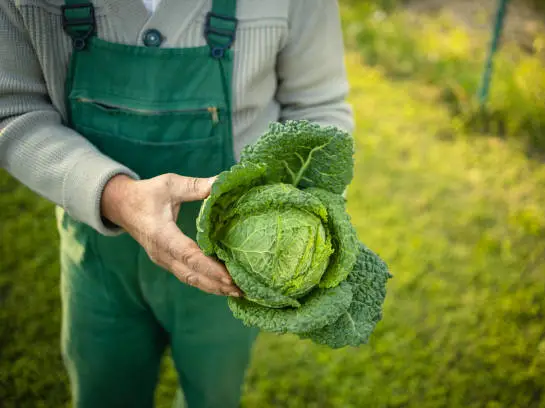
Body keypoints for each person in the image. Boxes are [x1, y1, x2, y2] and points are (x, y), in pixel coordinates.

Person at [0, 0, 354, 407]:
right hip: (98, 254)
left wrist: (298, 234)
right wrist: (116, 197)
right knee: (103, 393)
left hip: (231, 271)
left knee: (212, 395)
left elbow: (319, 109)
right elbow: (12, 109)